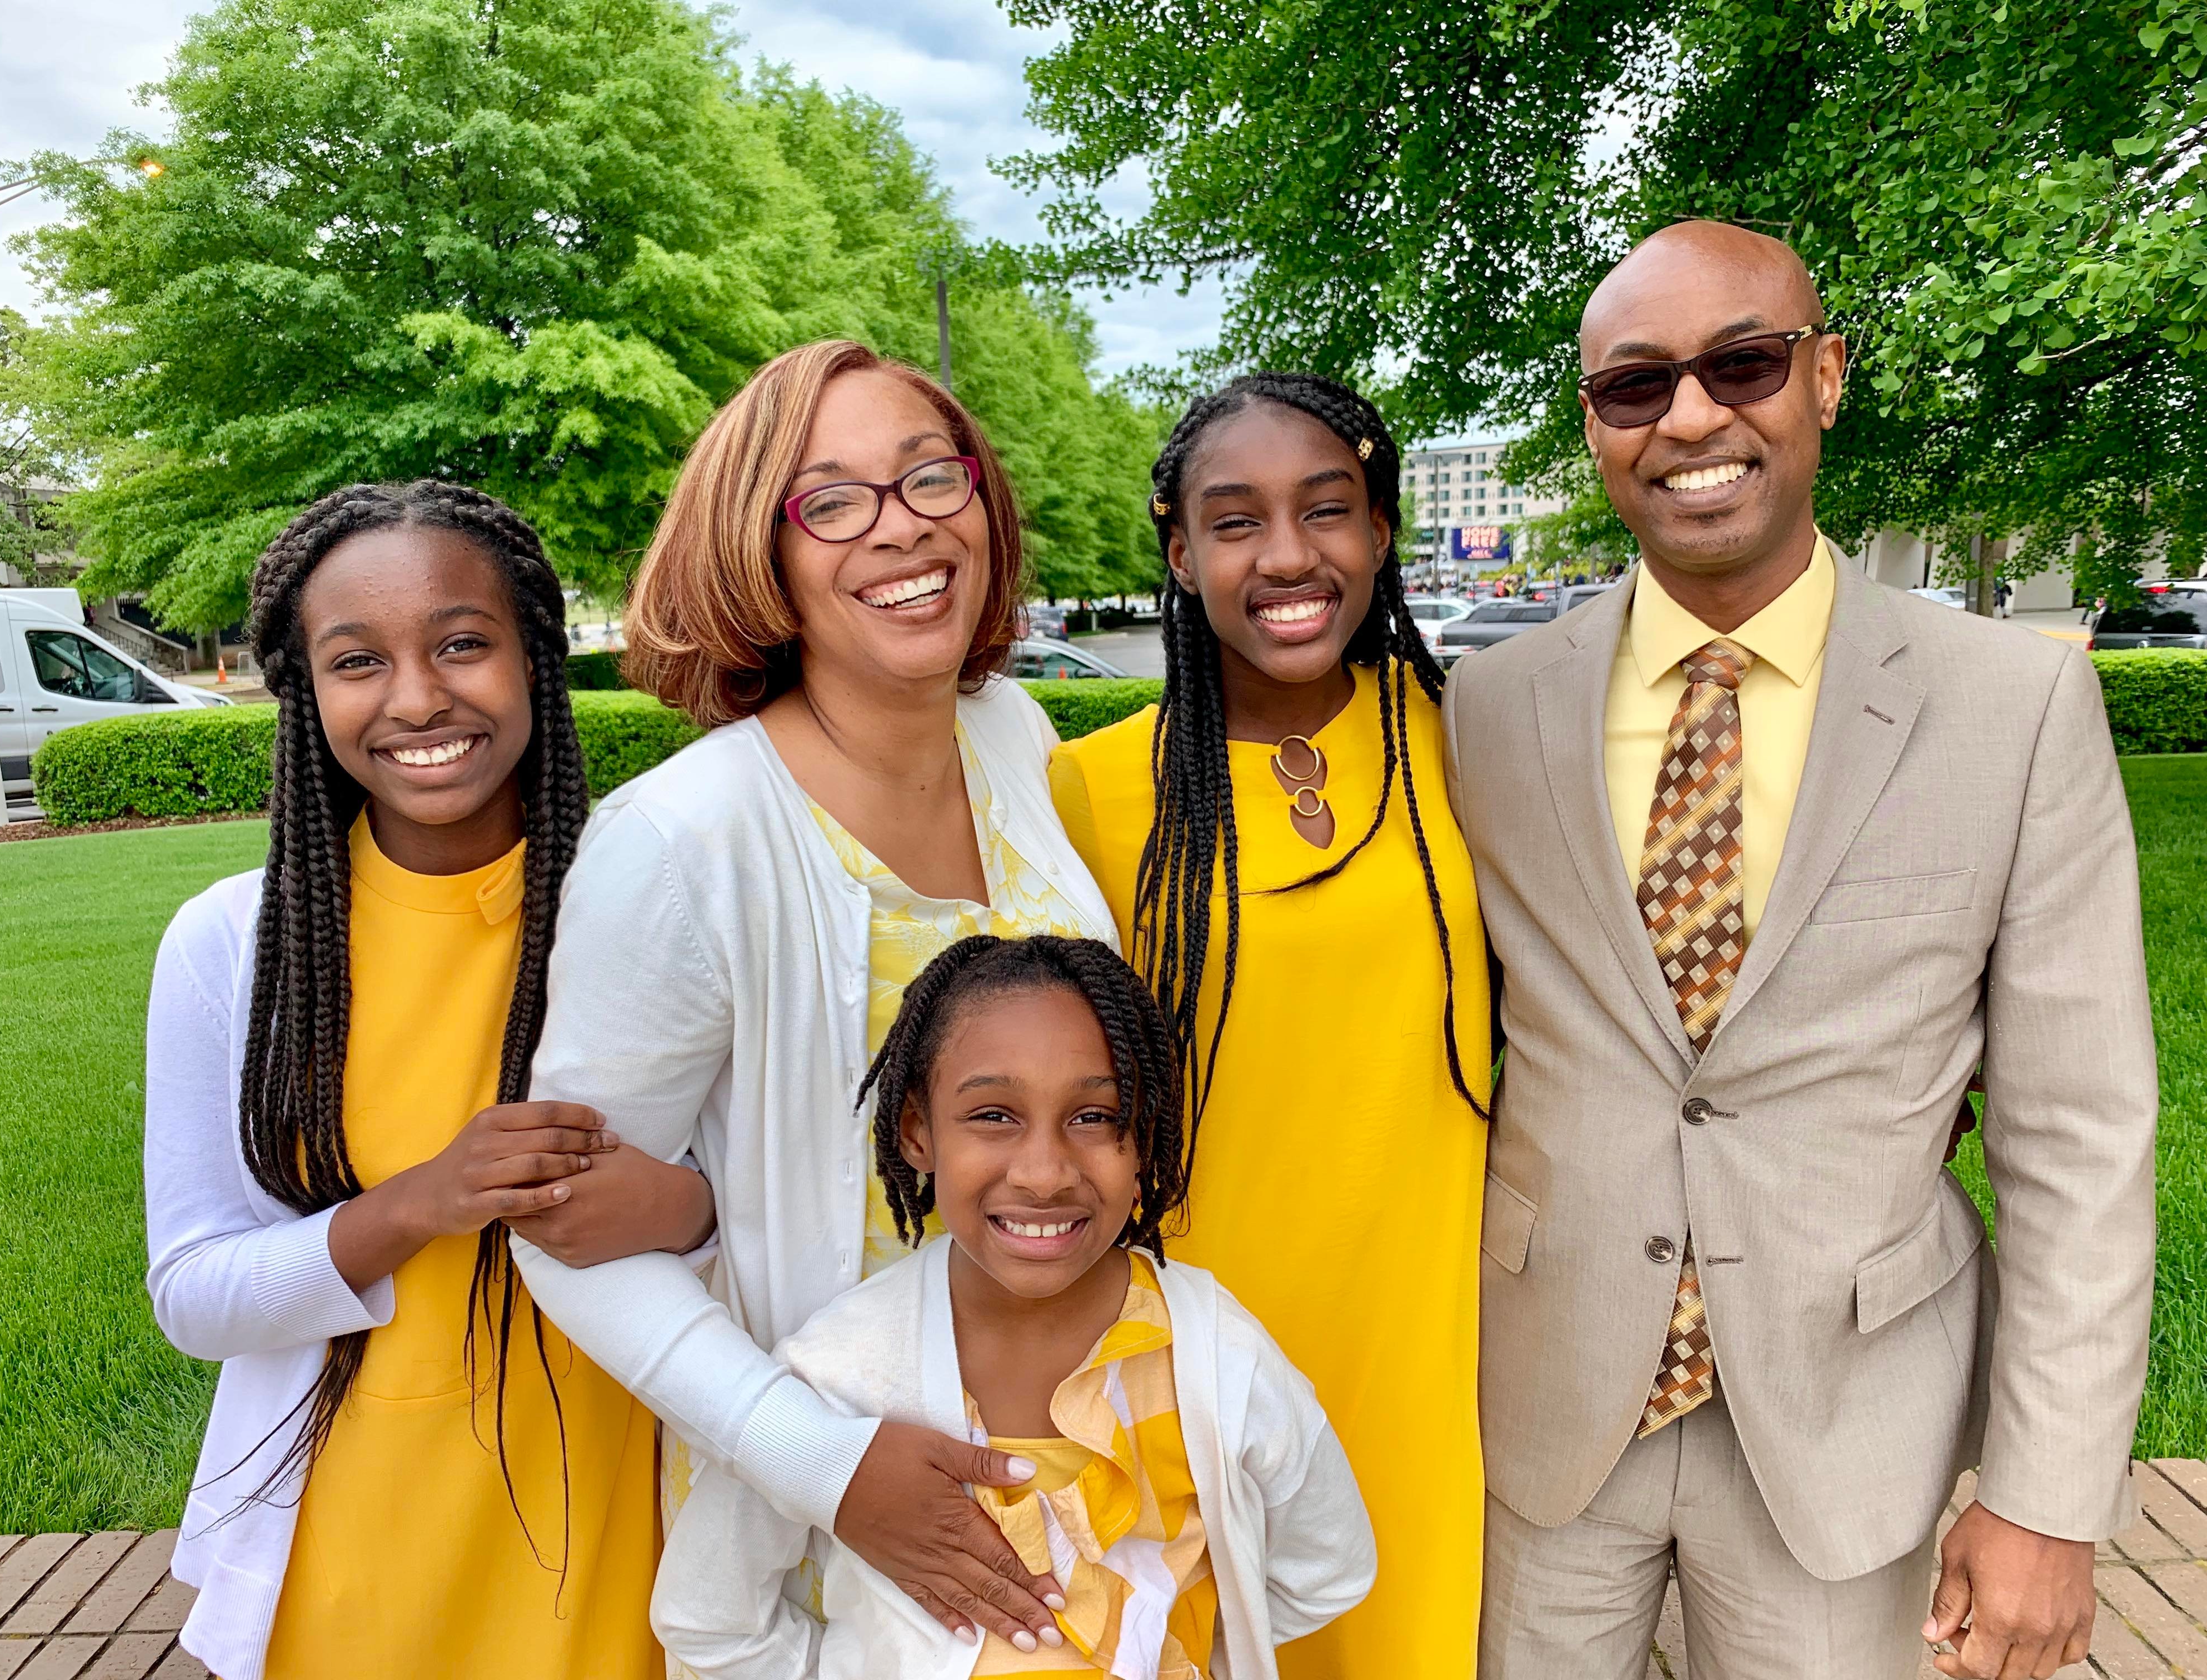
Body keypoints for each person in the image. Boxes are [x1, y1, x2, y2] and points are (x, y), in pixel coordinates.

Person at [1443, 221, 2156, 1680]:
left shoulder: (2011, 709)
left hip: (1845, 1421)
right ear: (1594, 426)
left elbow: (2079, 1136)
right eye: (1635, 387)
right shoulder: (1489, 710)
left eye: (1742, 363)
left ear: (1824, 377)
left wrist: (2046, 1500)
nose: (1691, 417)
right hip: (1548, 1393)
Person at [508, 341, 1119, 1657]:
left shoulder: (1013, 736)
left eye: (928, 478)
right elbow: (563, 1233)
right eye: (829, 501)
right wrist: (827, 1464)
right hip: (829, 1531)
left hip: (1076, 1461)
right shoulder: (686, 838)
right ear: (760, 556)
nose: (900, 526)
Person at [143, 482, 718, 1680]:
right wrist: (418, 1203)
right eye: (358, 661)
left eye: (463, 642)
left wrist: (687, 1209)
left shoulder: (668, 901)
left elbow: (797, 1202)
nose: (417, 698)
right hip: (356, 1561)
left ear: (536, 656)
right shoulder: (237, 944)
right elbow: (194, 1293)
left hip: (633, 1531)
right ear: (306, 693)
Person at [1048, 373, 1492, 1679]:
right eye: (1235, 522)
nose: (1287, 556)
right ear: (1180, 553)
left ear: (1384, 531)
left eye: (1328, 510)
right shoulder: (1094, 788)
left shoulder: (1469, 740)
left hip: (1435, 1340)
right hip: (1200, 1346)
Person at [652, 934, 1374, 1679]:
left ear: (1145, 1137)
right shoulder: (840, 1370)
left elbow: (1328, 1567)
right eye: (994, 1115)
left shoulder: (1217, 1360)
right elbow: (708, 1619)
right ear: (916, 1133)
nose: (1043, 1173)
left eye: (1094, 1117)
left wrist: (1173, 1645)